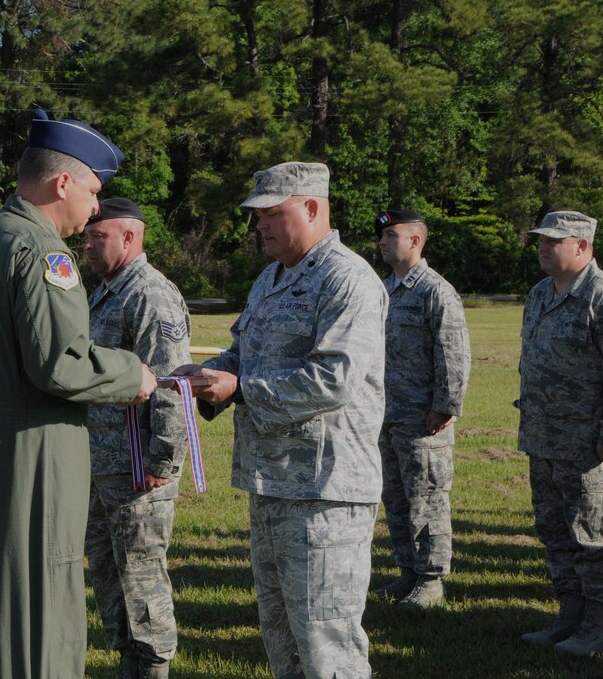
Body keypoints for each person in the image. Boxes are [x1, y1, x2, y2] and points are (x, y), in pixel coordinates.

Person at [0, 108, 159, 678]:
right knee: (41, 616)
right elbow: (60, 365)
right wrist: (132, 374)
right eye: (92, 191)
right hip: (31, 447)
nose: (95, 207)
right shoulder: (44, 251)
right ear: (62, 182)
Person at [174, 162, 386, 678]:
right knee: (283, 636)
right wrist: (211, 372)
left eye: (272, 213)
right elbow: (245, 350)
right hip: (272, 482)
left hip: (324, 490)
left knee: (325, 639)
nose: (261, 226)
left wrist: (241, 389)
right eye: (258, 215)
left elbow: (335, 378)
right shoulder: (271, 276)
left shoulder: (347, 279)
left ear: (312, 208)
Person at [83, 198, 192, 679]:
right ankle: (129, 660)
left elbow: (172, 383)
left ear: (130, 238)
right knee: (108, 573)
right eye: (86, 235)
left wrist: (161, 462)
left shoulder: (149, 294)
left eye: (97, 236)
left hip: (137, 467)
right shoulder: (106, 291)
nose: (86, 244)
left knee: (141, 573)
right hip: (101, 460)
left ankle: (153, 667)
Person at [516, 210, 603, 657]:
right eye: (541, 239)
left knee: (594, 538)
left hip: (589, 447)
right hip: (544, 440)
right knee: (556, 532)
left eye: (553, 241)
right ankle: (570, 617)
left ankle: (599, 629)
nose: (543, 247)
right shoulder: (541, 293)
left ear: (582, 246)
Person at [373, 209, 471, 607]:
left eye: (391, 234)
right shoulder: (381, 290)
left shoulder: (435, 291)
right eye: (381, 235)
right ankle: (408, 570)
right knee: (395, 499)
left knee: (427, 499)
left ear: (415, 241)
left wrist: (445, 406)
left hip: (423, 419)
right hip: (386, 415)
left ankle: (431, 579)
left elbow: (454, 354)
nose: (382, 241)